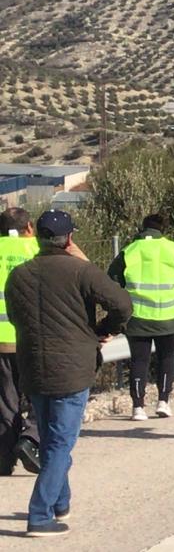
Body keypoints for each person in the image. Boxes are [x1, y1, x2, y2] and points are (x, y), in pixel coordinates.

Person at [7, 210, 132, 538]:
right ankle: (39, 513)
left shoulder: (18, 275)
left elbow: (17, 316)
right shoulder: (81, 271)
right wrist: (104, 330)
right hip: (73, 370)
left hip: (32, 368)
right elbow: (122, 304)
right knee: (61, 442)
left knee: (51, 439)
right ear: (69, 238)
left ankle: (61, 501)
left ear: (37, 236)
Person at [108, 213, 174, 420]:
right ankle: (163, 402)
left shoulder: (130, 250)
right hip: (168, 316)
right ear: (163, 229)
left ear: (142, 228)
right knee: (166, 358)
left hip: (138, 317)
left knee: (139, 361)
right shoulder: (171, 249)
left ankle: (138, 407)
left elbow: (112, 276)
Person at [0, 208, 41, 477]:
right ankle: (30, 439)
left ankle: (4, 459)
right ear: (29, 227)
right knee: (42, 395)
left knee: (5, 399)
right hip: (33, 338)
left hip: (0, 340)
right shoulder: (39, 249)